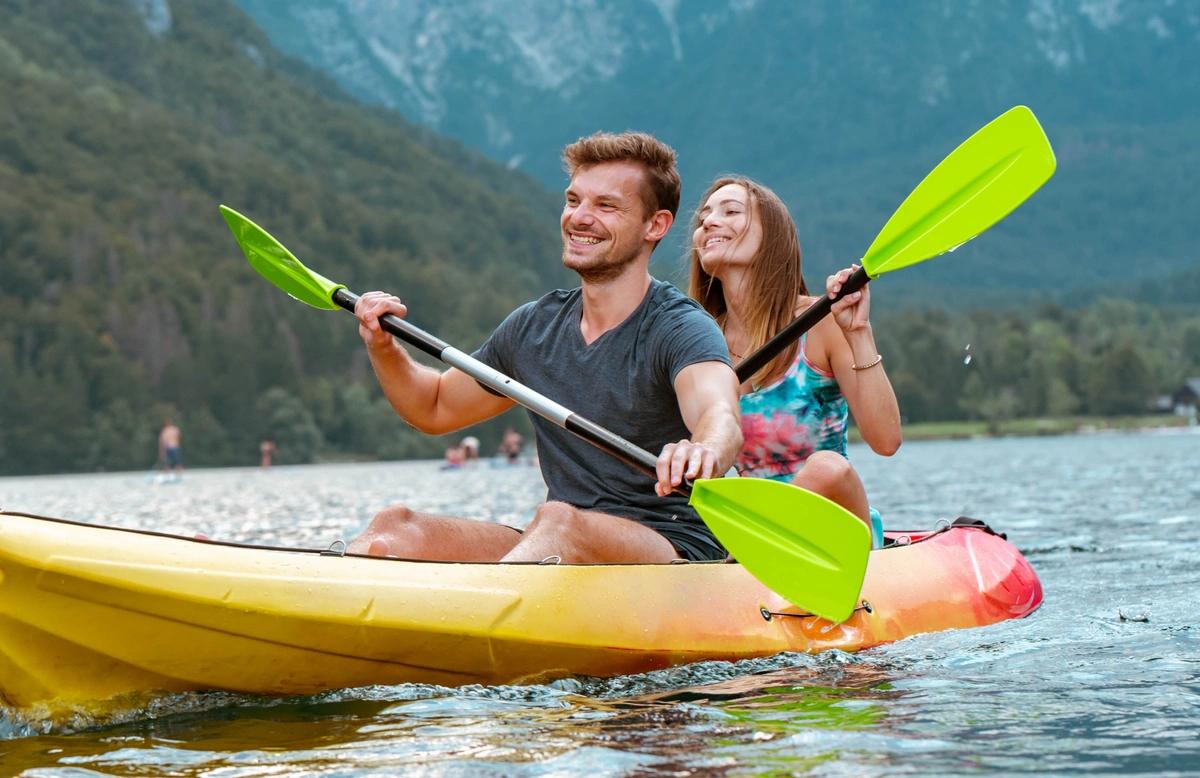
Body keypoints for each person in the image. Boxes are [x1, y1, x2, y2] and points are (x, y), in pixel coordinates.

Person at [347, 131, 743, 563]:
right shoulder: (533, 327)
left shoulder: (681, 326)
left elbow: (717, 413)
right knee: (396, 528)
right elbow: (435, 407)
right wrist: (383, 346)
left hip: (673, 547)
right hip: (559, 540)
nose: (580, 217)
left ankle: (490, 613)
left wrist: (703, 448)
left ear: (656, 225)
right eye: (574, 201)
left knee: (558, 522)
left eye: (605, 206)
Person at [688, 176, 901, 544]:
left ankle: (758, 547)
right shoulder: (700, 344)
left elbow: (886, 441)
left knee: (826, 468)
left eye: (731, 211)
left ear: (771, 236)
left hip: (838, 531)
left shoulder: (821, 321)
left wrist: (858, 332)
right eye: (703, 216)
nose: (708, 221)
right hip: (753, 537)